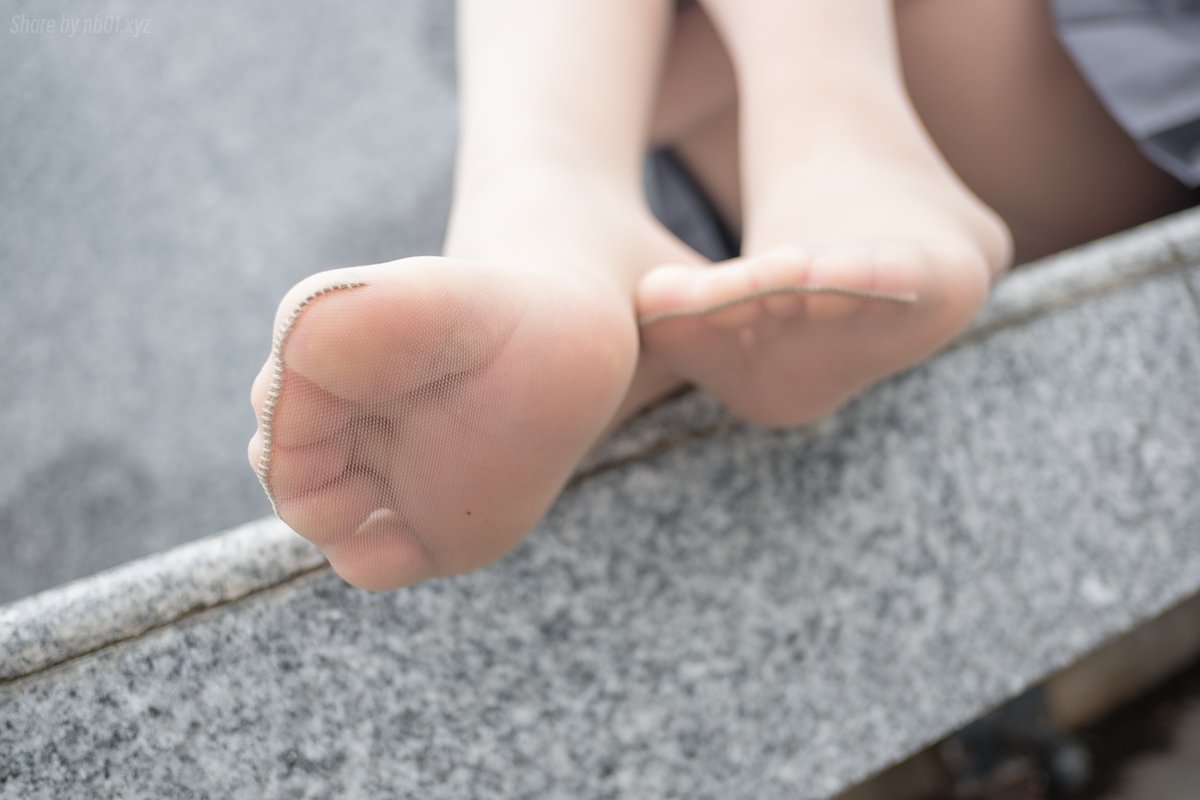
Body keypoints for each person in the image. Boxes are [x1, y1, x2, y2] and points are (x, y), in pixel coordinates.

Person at [248, 0, 1199, 590]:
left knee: (576, 98)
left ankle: (548, 203)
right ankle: (587, 234)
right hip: (834, 163)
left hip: (1064, 99)